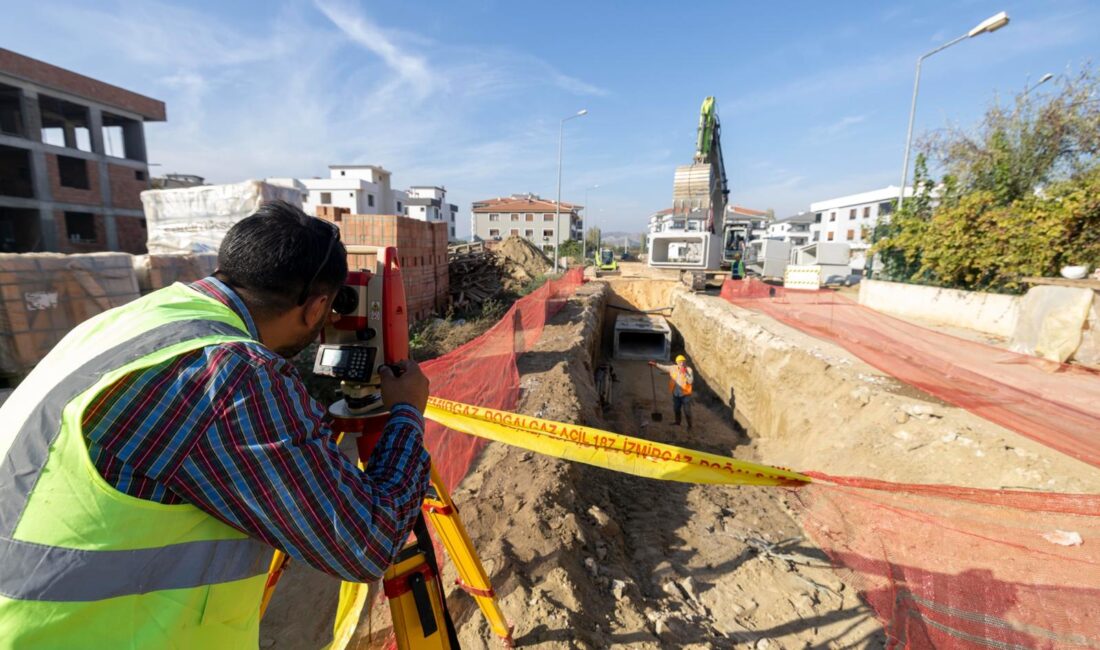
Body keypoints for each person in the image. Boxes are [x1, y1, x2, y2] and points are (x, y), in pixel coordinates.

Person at [0, 201, 431, 648]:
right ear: (317, 306)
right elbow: (367, 543)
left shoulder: (136, 319)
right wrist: (405, 414)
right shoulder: (231, 375)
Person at [649, 354, 694, 429]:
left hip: (685, 395)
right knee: (676, 409)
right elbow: (663, 367)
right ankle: (677, 422)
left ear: (685, 362)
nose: (682, 363)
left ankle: (690, 426)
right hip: (676, 394)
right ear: (677, 363)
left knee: (687, 411)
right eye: (680, 362)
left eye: (683, 362)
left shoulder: (689, 370)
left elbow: (691, 382)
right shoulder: (673, 368)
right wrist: (655, 364)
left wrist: (685, 373)